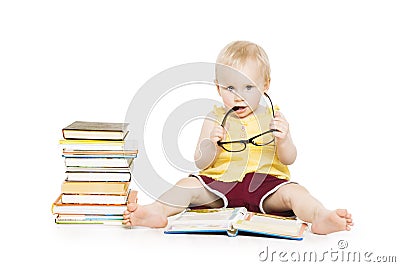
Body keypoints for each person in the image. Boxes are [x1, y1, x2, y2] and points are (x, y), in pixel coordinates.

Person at [123, 41, 353, 234]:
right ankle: (156, 210)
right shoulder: (215, 118)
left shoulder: (273, 117)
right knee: (187, 185)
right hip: (220, 184)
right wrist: (210, 145)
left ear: (266, 86)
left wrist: (284, 140)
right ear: (217, 88)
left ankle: (320, 216)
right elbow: (201, 162)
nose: (238, 96)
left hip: (265, 185)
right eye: (230, 88)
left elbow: (289, 158)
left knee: (295, 192)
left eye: (248, 88)